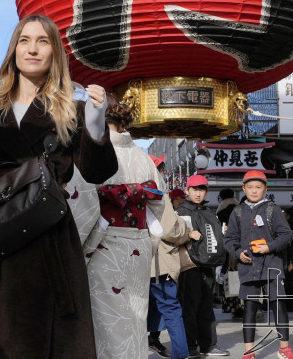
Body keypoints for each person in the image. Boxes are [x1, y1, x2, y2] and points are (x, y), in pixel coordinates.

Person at [0, 15, 118, 359]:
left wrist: (96, 124)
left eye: (42, 41)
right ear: (13, 50)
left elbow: (98, 172)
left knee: (51, 340)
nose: (32, 49)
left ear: (55, 53)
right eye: (24, 40)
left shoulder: (68, 108)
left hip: (49, 235)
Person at [82, 99, 165, 358]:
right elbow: (159, 209)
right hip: (138, 243)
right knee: (135, 317)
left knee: (107, 320)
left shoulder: (93, 155)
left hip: (103, 244)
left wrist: (81, 245)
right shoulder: (144, 159)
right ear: (122, 123)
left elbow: (84, 206)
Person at [224, 170, 293, 359]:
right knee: (249, 309)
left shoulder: (272, 209)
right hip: (248, 268)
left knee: (278, 307)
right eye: (250, 187)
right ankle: (249, 352)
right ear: (243, 189)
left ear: (265, 188)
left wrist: (269, 248)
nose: (254, 191)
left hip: (272, 265)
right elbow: (229, 239)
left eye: (258, 187)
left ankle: (284, 349)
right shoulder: (237, 212)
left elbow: (287, 235)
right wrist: (238, 253)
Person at [176, 175, 230, 357]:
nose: (198, 193)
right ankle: (190, 346)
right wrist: (188, 233)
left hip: (208, 265)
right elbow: (171, 234)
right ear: (187, 190)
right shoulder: (180, 211)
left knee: (206, 306)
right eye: (194, 189)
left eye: (201, 189)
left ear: (206, 191)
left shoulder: (208, 211)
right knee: (189, 307)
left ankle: (208, 345)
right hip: (188, 265)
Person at [148, 190, 192, 359]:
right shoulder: (159, 194)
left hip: (131, 262)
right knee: (171, 309)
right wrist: (185, 228)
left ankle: (149, 341)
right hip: (159, 264)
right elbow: (170, 232)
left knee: (135, 309)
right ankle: (180, 354)